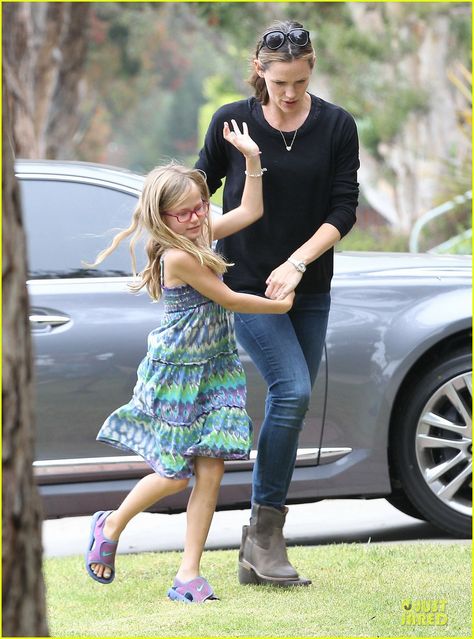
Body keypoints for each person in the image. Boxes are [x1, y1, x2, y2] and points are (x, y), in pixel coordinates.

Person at [84, 120, 294, 604]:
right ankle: (110, 525)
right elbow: (231, 299)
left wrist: (253, 161)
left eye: (200, 206)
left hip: (216, 368)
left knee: (213, 468)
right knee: (175, 473)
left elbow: (250, 210)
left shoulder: (200, 232)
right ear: (163, 220)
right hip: (177, 375)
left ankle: (188, 575)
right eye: (185, 214)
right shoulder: (177, 257)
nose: (199, 218)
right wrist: (281, 305)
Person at [195, 20, 359, 587]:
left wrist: (297, 264)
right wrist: (181, 240)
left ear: (311, 67)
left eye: (297, 81)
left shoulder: (337, 125)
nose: (287, 94)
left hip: (307, 286)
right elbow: (197, 189)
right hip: (242, 284)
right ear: (259, 70)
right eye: (276, 81)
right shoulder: (231, 121)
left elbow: (343, 209)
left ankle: (257, 543)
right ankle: (265, 538)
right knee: (291, 391)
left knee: (292, 405)